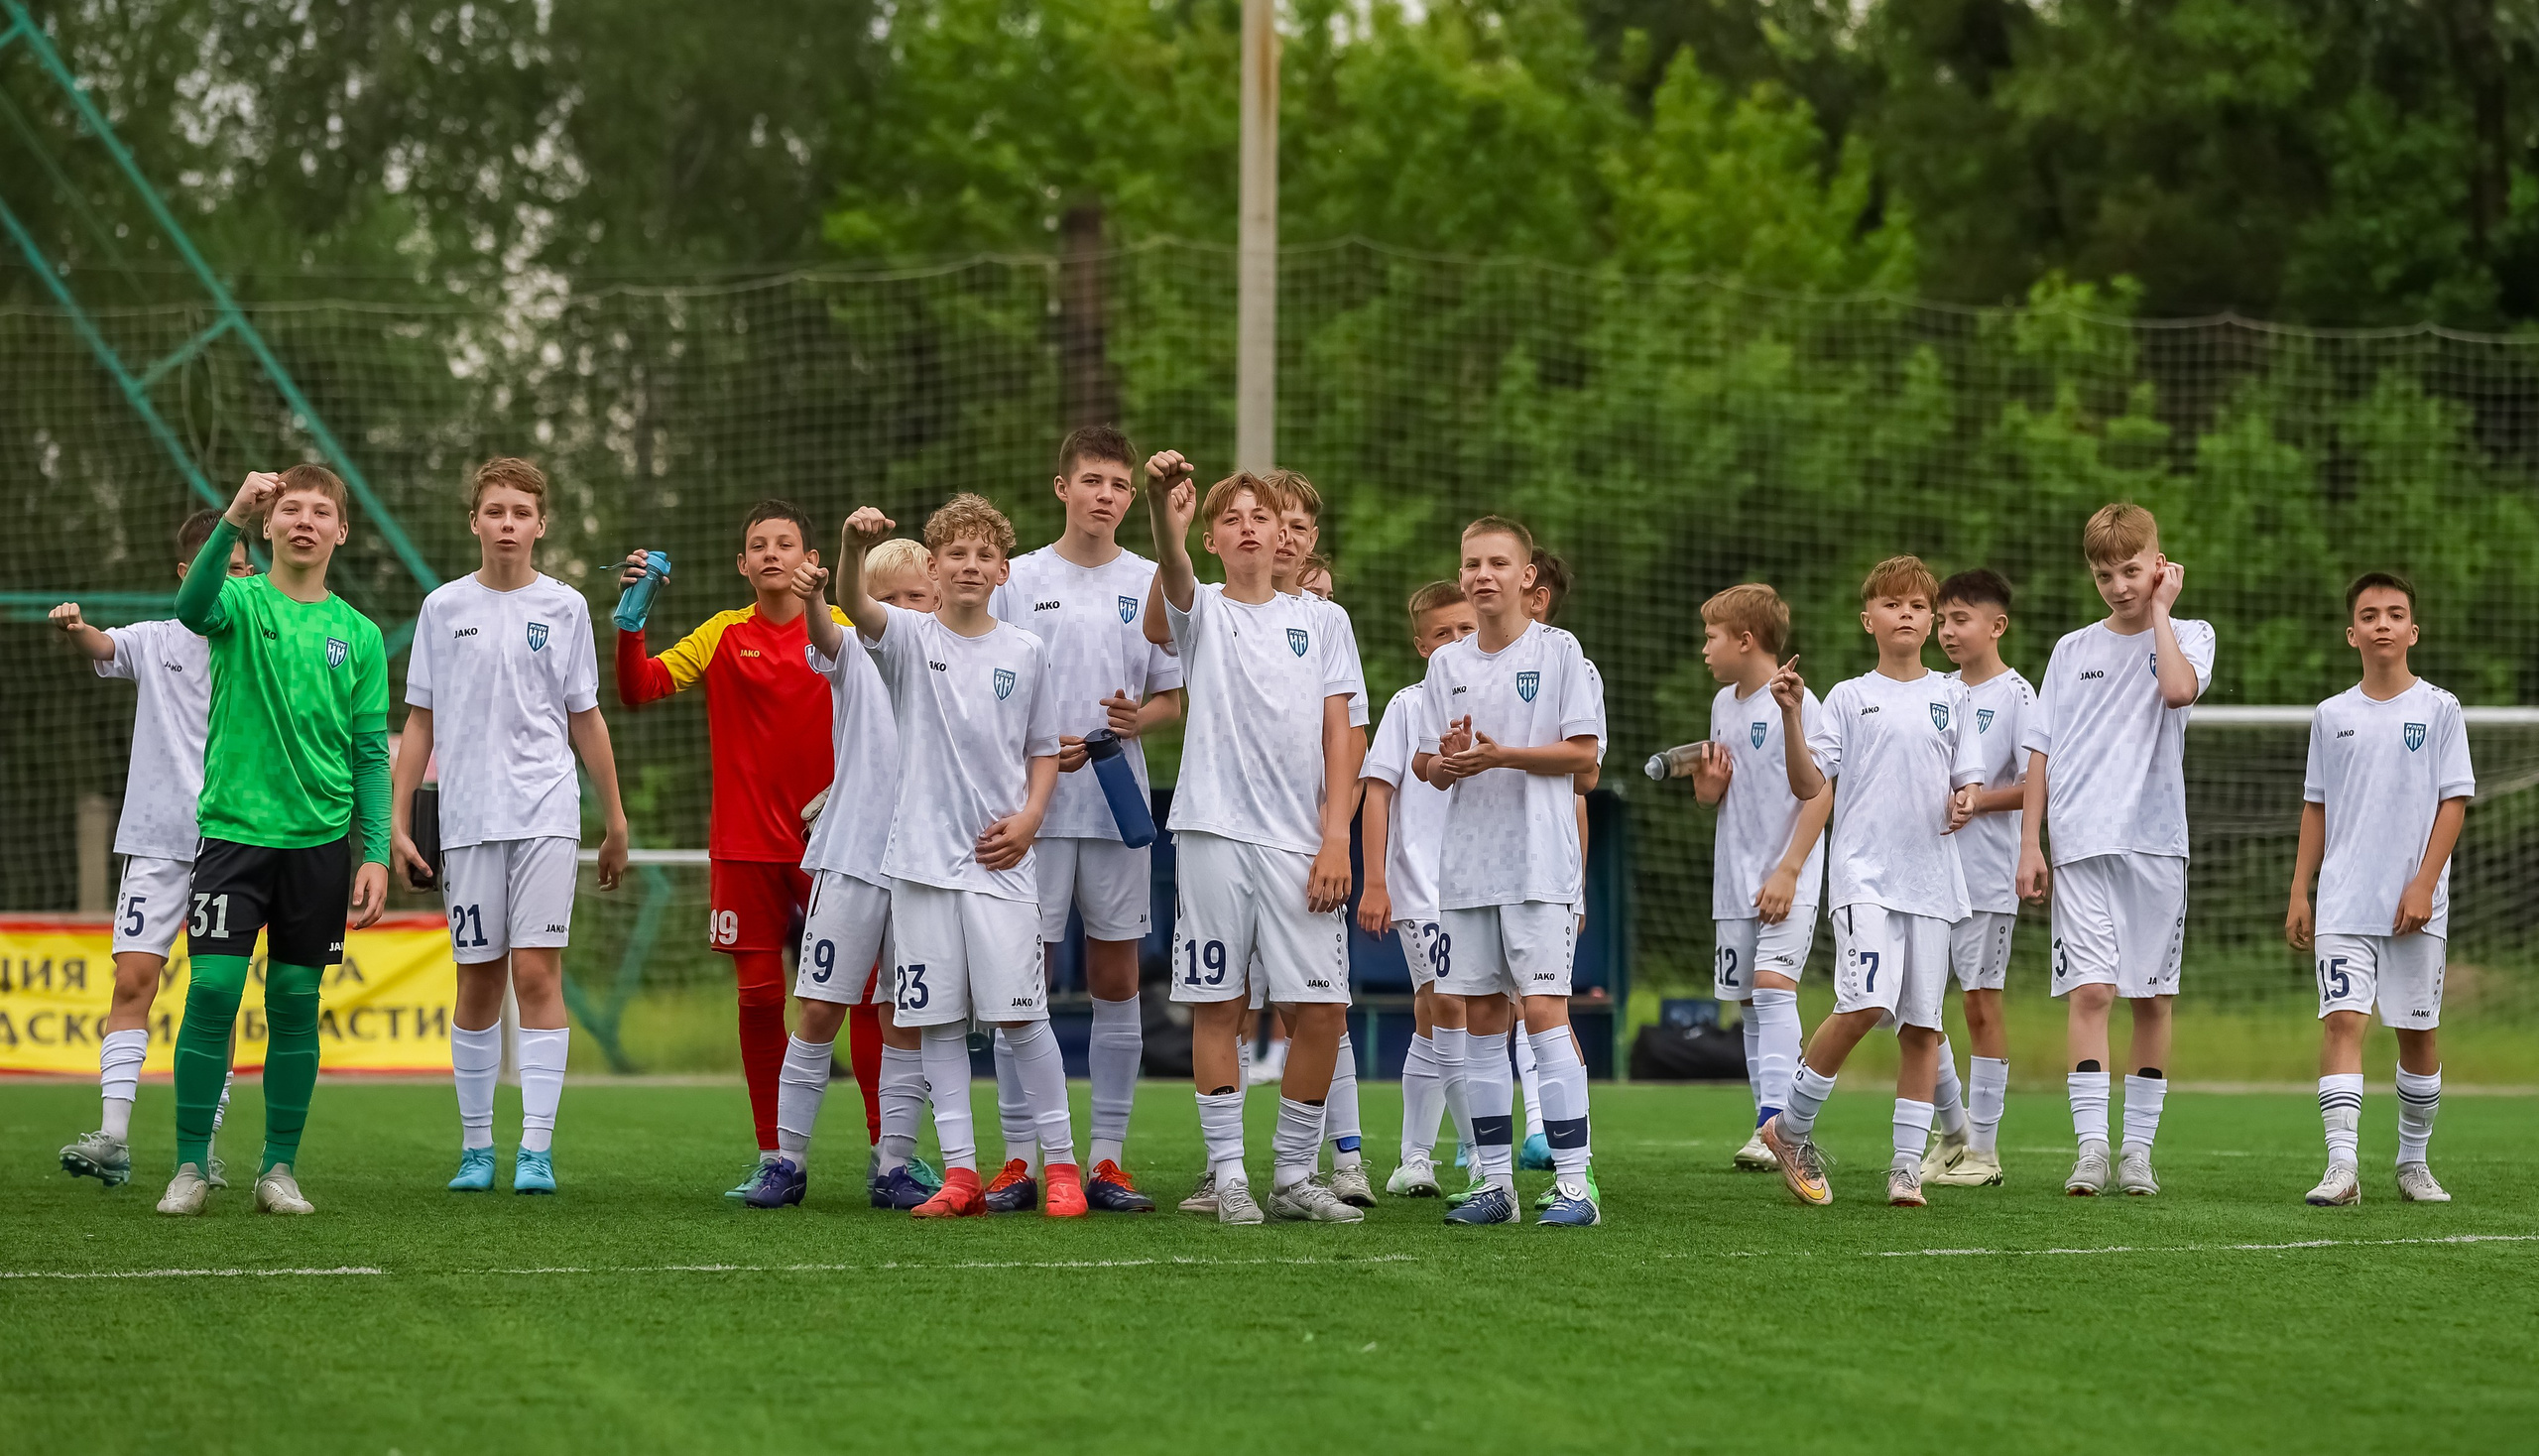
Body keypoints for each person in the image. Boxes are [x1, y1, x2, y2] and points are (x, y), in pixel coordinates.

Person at [616, 501, 880, 1198]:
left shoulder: (851, 631)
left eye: (785, 544)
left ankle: (892, 1156)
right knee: (761, 1000)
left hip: (835, 843)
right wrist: (631, 621)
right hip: (744, 848)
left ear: (811, 562)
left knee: (867, 997)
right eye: (757, 545)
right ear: (741, 563)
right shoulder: (722, 634)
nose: (771, 554)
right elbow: (638, 689)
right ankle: (776, 1158)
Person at [156, 467, 392, 1216]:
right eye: (291, 508)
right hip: (233, 837)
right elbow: (187, 607)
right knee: (214, 991)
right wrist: (231, 513)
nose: (305, 521)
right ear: (268, 525)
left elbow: (369, 754)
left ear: (340, 532)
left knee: (294, 1001)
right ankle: (191, 1165)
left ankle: (278, 1170)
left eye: (322, 511)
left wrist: (377, 850)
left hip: (319, 847)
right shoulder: (237, 600)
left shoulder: (358, 634)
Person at [392, 458, 630, 1195]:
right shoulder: (443, 608)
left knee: (535, 973)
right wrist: (395, 822)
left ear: (540, 524)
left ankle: (535, 1149)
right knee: (478, 982)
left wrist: (614, 818)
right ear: (474, 522)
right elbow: (420, 722)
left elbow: (584, 716)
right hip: (466, 820)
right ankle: (475, 1149)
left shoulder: (564, 608)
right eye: (494, 511)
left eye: (520, 513)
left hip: (547, 815)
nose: (506, 524)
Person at [835, 495, 1077, 1219]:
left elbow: (1043, 750)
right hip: (919, 865)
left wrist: (1032, 817)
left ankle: (1061, 1166)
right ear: (933, 569)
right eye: (955, 555)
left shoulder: (1027, 651)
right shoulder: (907, 637)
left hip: (1001, 865)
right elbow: (851, 600)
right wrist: (851, 546)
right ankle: (962, 1175)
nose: (970, 566)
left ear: (1003, 570)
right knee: (937, 1024)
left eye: (983, 555)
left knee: (1023, 1018)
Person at [1148, 455, 1366, 1225]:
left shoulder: (1324, 621)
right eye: (1231, 518)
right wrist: (1160, 513)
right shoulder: (1199, 606)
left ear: (1283, 534)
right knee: (1220, 1005)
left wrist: (1335, 836)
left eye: (1260, 516)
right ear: (1211, 538)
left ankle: (1293, 1176)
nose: (1248, 528)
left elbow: (1345, 738)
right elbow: (1166, 584)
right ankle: (1230, 1175)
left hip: (1300, 844)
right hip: (1211, 834)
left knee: (1324, 1012)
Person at [980, 425, 1182, 1215]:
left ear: (1132, 498)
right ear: (1061, 486)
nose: (1105, 495)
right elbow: (982, 678)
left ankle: (1107, 1159)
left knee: (1116, 977)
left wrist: (1143, 719)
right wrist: (1031, 746)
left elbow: (1173, 694)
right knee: (1016, 981)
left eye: (1119, 485)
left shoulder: (1151, 579)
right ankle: (1018, 1159)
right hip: (1029, 812)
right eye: (1092, 480)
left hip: (1114, 803)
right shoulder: (1018, 578)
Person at [1756, 555, 1987, 1209]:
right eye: (1892, 603)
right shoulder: (1849, 699)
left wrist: (1967, 799)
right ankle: (1791, 1130)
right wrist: (1795, 716)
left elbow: (1965, 782)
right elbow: (1808, 785)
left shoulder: (1954, 696)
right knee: (1862, 1004)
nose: (1906, 613)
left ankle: (1905, 1168)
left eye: (1918, 604)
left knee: (1922, 1027)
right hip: (1865, 879)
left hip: (1934, 883)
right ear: (1869, 619)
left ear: (1931, 617)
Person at [2016, 504, 2215, 1197]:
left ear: (2158, 563)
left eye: (2131, 570)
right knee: (2092, 990)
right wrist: (2029, 844)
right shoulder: (2071, 650)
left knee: (2152, 999)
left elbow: (2177, 689)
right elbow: (2039, 750)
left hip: (2156, 843)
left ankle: (2137, 1151)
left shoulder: (2189, 633)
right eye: (2105, 574)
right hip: (2078, 842)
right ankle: (2092, 1149)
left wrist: (2161, 610)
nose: (2119, 585)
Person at [1414, 516, 1607, 1227]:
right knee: (1483, 1022)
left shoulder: (1560, 653)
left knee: (1546, 1017)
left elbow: (1583, 757)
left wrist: (1503, 755)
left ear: (1529, 577)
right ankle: (1496, 1185)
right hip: (1466, 869)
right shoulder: (1446, 665)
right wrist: (1450, 760)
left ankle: (1574, 1187)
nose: (1482, 575)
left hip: (1538, 868)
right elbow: (1426, 767)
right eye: (1472, 564)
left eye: (1498, 562)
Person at [54, 511, 253, 1189]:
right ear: (187, 575)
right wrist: (77, 628)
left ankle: (202, 1145)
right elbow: (105, 647)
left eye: (244, 568)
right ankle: (112, 1136)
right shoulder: (156, 639)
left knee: (216, 993)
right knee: (134, 980)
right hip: (157, 843)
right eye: (222, 567)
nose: (236, 578)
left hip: (233, 844)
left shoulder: (259, 644)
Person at [751, 539, 936, 1209]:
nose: (903, 609)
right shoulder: (852, 647)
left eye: (916, 596)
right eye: (887, 598)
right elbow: (826, 626)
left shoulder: (948, 656)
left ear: (938, 599)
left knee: (903, 1016)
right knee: (822, 1007)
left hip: (922, 864)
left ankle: (895, 1164)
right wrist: (831, 576)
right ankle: (785, 1159)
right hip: (853, 856)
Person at [2285, 572, 2470, 1207]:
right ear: (2352, 633)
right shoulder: (2330, 715)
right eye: (2369, 615)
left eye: (2395, 614)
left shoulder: (2440, 708)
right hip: (2343, 902)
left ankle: (2413, 1163)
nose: (2382, 623)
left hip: (2416, 908)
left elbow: (2454, 804)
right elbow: (2316, 808)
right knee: (2342, 1022)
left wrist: (2423, 883)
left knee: (2417, 1034)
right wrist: (2300, 890)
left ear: (2413, 631)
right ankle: (2342, 1169)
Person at [1691, 583, 1831, 1172]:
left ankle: (1780, 1124)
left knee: (1774, 988)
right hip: (1734, 879)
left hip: (1785, 876)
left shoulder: (1798, 701)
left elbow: (1821, 791)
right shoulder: (1724, 704)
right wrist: (1708, 786)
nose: (1704, 648)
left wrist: (1790, 869)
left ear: (1746, 641)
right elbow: (1713, 796)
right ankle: (1764, 1126)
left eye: (1712, 636)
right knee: (1750, 1002)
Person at [1358, 579, 1478, 1196]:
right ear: (1420, 646)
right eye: (1442, 634)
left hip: (1481, 883)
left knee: (1440, 1016)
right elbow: (1377, 792)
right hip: (1421, 885)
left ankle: (1414, 1157)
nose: (1456, 641)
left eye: (1465, 629)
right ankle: (1484, 1154)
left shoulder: (1498, 697)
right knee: (1449, 1002)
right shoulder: (1408, 706)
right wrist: (1374, 880)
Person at [1920, 568, 2033, 1187]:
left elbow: (2037, 784)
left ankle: (1984, 1151)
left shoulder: (2017, 696)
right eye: (1942, 620)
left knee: (1979, 1003)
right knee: (1919, 1008)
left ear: (1997, 626)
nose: (1947, 631)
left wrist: (1978, 800)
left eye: (1960, 619)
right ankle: (1953, 1132)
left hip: (1986, 873)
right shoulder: (1935, 691)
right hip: (1928, 872)